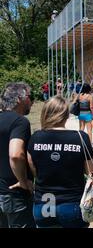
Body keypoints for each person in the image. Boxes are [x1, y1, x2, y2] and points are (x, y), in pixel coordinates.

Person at [27, 96, 93, 228]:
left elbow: (34, 169)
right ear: (66, 115)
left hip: (44, 203)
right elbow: (91, 172)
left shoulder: (36, 137)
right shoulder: (81, 137)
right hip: (73, 203)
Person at [0, 83, 36, 228]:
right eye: (30, 97)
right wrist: (23, 180)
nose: (32, 101)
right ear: (20, 99)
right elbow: (15, 154)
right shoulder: (20, 122)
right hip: (14, 194)